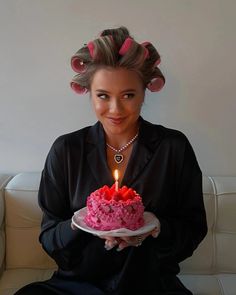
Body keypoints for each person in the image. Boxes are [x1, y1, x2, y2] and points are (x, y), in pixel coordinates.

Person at [15, 26, 207, 295]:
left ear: (144, 92)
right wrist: (77, 222)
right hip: (78, 285)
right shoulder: (66, 150)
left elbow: (193, 229)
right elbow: (49, 237)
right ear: (89, 94)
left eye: (128, 95)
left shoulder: (173, 148)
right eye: (103, 96)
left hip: (151, 283)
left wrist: (154, 228)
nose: (115, 110)